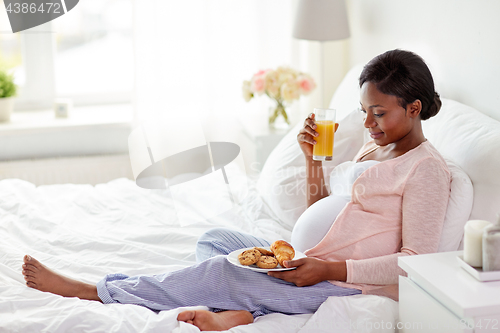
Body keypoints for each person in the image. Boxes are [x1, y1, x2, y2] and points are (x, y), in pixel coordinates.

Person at [21, 49, 451, 332]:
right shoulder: (375, 148)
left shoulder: (427, 170)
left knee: (221, 270)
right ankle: (247, 312)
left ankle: (96, 290)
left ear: (414, 109)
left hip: (345, 283)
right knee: (217, 240)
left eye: (379, 113)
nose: (368, 124)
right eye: (363, 112)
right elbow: (325, 210)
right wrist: (311, 159)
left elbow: (419, 262)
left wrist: (330, 271)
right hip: (307, 258)